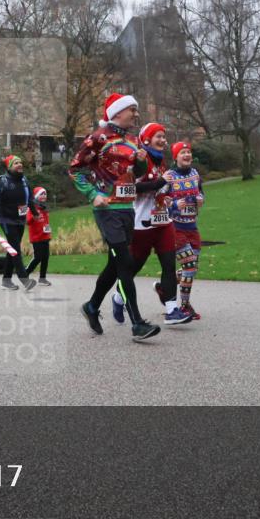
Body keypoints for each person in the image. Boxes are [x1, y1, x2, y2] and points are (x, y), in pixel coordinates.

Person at [69, 93, 159, 342]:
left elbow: (137, 173)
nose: (137, 114)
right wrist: (92, 194)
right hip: (106, 209)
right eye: (133, 109)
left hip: (127, 207)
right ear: (118, 112)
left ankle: (91, 306)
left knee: (115, 263)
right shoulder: (98, 138)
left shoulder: (132, 139)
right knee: (125, 263)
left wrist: (141, 163)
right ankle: (137, 324)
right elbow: (74, 168)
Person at [111, 123, 193, 326]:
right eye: (158, 136)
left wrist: (166, 197)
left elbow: (162, 188)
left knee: (168, 264)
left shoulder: (161, 161)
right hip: (141, 224)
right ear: (146, 139)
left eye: (164, 137)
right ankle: (118, 298)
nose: (163, 140)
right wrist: (158, 183)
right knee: (133, 268)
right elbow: (130, 187)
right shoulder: (139, 160)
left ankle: (172, 311)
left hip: (163, 221)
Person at [164, 141, 205, 320]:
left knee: (192, 268)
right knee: (189, 265)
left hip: (192, 226)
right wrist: (173, 204)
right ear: (176, 157)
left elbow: (201, 192)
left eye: (188, 152)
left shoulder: (195, 174)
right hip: (175, 227)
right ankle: (185, 305)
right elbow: (159, 199)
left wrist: (201, 198)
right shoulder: (169, 176)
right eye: (183, 153)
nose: (187, 155)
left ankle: (164, 286)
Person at [0, 154, 38, 291]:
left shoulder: (24, 181)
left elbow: (30, 200)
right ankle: (24, 279)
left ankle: (6, 280)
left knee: (12, 249)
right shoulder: (2, 181)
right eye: (16, 163)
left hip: (20, 220)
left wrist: (35, 213)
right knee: (15, 249)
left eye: (20, 162)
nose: (20, 165)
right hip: (6, 219)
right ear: (9, 167)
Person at [24, 186, 52, 286]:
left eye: (45, 194)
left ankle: (42, 278)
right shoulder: (32, 207)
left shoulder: (44, 208)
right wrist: (34, 217)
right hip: (36, 237)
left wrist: (48, 233)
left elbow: (46, 222)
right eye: (41, 194)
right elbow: (27, 221)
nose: (44, 196)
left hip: (45, 236)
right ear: (36, 196)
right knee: (38, 257)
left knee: (46, 257)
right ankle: (25, 273)